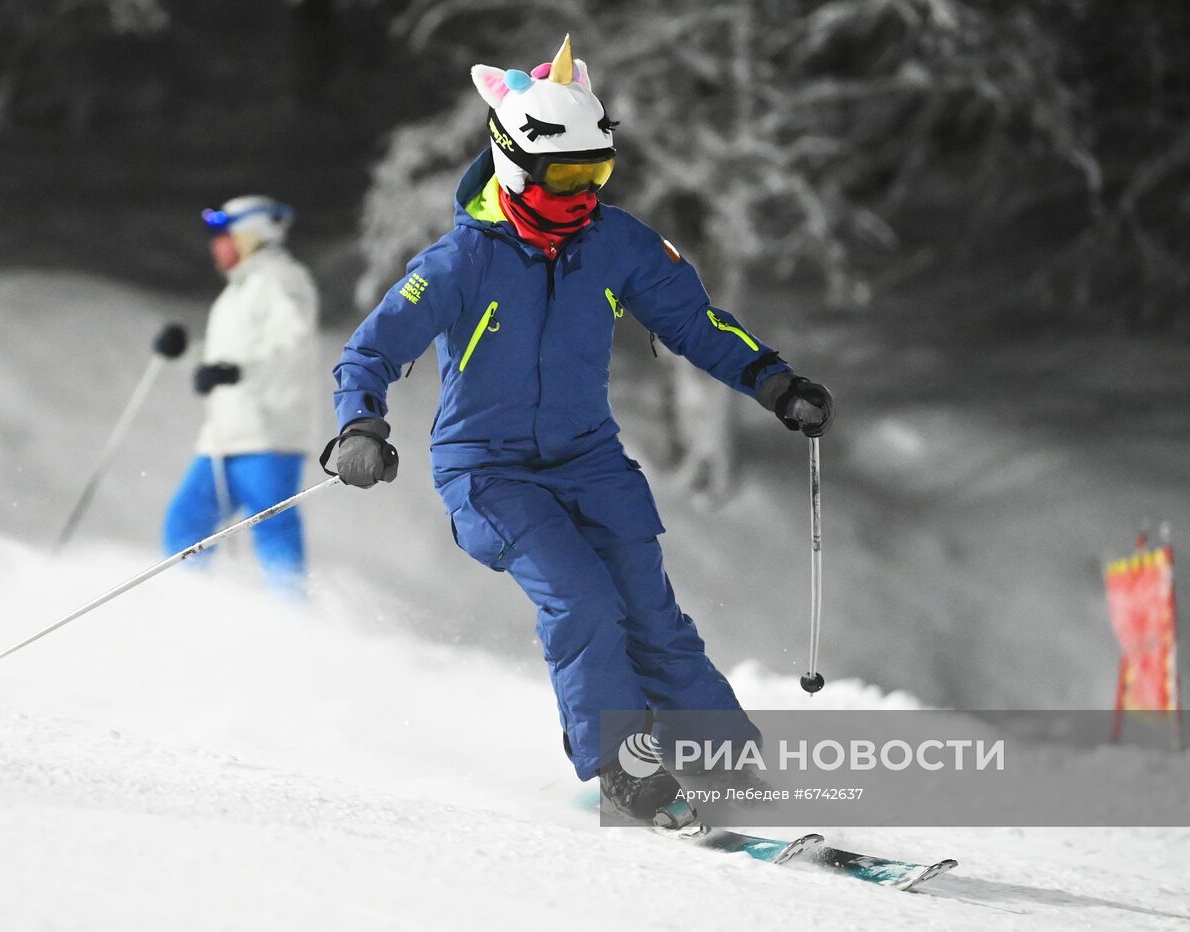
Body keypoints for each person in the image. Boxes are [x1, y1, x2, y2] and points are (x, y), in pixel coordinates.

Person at [332, 38, 833, 820]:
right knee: (582, 601)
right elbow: (371, 349)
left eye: (595, 172)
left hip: (589, 459)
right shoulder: (461, 261)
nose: (582, 192)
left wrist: (772, 380)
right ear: (515, 164)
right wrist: (360, 424)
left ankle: (730, 771)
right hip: (488, 471)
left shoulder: (615, 243)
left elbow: (694, 322)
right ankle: (624, 770)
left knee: (650, 613)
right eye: (565, 175)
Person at [164, 195, 320, 592]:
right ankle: (186, 610)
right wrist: (187, 353)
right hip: (223, 438)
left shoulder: (283, 281)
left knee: (273, 535)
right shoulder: (236, 293)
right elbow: (228, 362)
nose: (215, 245)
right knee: (184, 527)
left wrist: (234, 371)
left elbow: (291, 348)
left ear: (251, 234)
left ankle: (296, 623)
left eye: (223, 233)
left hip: (267, 437)